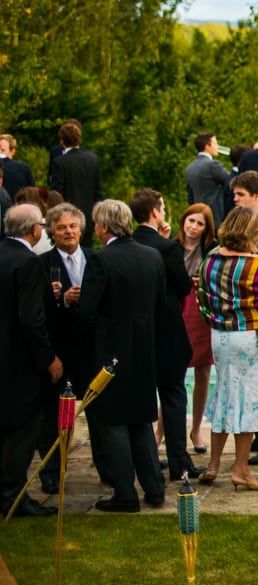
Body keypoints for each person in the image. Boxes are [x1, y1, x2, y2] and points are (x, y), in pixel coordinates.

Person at [78, 199, 172, 511]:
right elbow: (161, 302)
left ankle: (125, 494)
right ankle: (154, 489)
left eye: (96, 223)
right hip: (144, 347)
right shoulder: (152, 256)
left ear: (104, 226)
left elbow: (86, 311)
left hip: (110, 351)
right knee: (142, 419)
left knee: (113, 422)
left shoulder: (101, 260)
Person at [196, 206, 258, 493]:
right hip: (248, 338)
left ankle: (212, 464)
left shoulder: (210, 259)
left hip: (219, 335)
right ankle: (241, 470)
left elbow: (202, 296)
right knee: (248, 402)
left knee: (223, 394)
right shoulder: (255, 264)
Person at [127, 189, 197, 482]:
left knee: (141, 397)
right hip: (166, 330)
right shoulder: (167, 248)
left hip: (136, 333)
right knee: (173, 395)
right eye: (163, 207)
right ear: (155, 212)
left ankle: (142, 460)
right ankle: (179, 460)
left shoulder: (127, 245)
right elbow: (182, 286)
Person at [0, 204, 63, 518]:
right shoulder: (28, 262)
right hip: (20, 361)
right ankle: (13, 497)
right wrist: (49, 358)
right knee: (23, 430)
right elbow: (31, 319)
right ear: (35, 229)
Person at [37, 203, 103, 492]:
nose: (68, 231)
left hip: (91, 347)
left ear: (81, 228)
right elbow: (36, 312)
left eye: (73, 226)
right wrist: (61, 299)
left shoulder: (95, 259)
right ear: (52, 230)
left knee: (98, 410)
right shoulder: (41, 263)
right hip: (60, 349)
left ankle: (107, 467)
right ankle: (52, 471)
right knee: (55, 414)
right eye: (62, 227)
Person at [177, 204, 218, 455]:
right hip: (179, 309)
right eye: (190, 220)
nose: (193, 226)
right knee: (175, 374)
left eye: (199, 223)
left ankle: (196, 429)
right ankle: (164, 429)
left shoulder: (211, 250)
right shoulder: (171, 246)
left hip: (201, 311)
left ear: (206, 228)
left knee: (203, 372)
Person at [47, 121, 103, 243]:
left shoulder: (60, 162)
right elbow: (98, 191)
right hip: (88, 218)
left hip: (67, 220)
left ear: (62, 141)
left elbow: (57, 193)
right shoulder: (93, 159)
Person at [185, 132, 231, 212]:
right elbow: (232, 182)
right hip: (215, 215)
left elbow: (190, 198)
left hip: (198, 214)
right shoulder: (213, 165)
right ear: (207, 146)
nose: (217, 147)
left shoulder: (189, 168)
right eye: (215, 143)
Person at [0, 134, 36, 200]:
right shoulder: (24, 168)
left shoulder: (23, 169)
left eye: (2, 150)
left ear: (12, 151)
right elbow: (32, 194)